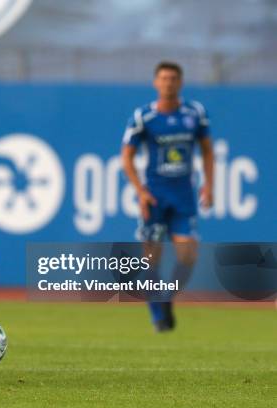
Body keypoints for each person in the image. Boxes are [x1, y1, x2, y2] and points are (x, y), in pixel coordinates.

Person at [121, 61, 214, 332]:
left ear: (180, 82)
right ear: (155, 83)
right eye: (163, 78)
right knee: (151, 259)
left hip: (184, 195)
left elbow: (208, 150)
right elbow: (126, 156)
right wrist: (140, 191)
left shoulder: (195, 114)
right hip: (155, 196)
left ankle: (167, 297)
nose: (168, 83)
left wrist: (209, 185)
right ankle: (157, 314)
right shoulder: (144, 117)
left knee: (188, 254)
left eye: (173, 78)